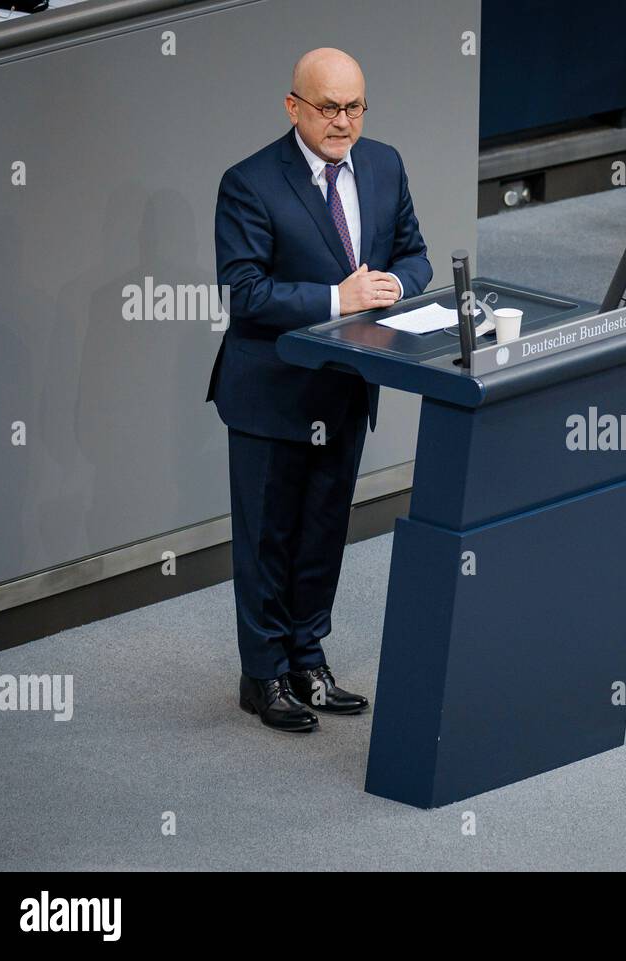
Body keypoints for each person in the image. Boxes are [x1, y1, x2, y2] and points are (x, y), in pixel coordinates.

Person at [207, 48, 432, 732]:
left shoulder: (386, 164)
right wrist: (339, 296)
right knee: (268, 537)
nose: (343, 122)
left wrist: (398, 285)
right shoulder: (249, 182)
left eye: (355, 106)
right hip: (271, 391)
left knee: (322, 532)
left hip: (345, 386)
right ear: (293, 106)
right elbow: (243, 291)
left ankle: (308, 657)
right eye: (329, 107)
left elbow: (414, 254)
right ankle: (264, 673)